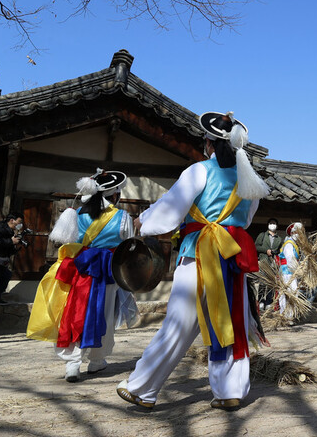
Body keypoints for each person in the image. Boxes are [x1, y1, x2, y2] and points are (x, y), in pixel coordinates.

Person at [117, 111, 269, 410]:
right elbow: (246, 221)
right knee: (231, 321)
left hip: (199, 253)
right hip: (231, 257)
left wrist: (143, 222)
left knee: (179, 323)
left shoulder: (199, 171)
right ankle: (230, 390)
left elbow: (170, 211)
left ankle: (141, 387)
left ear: (209, 143)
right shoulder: (252, 180)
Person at [26, 170, 135, 381]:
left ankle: (73, 363)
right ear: (115, 196)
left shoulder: (76, 214)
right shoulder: (123, 217)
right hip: (109, 269)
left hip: (82, 267)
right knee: (105, 314)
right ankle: (96, 361)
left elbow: (68, 240)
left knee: (76, 311)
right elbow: (129, 244)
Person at [0, 212, 24, 304]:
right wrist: (10, 241)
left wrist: (16, 246)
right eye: (19, 222)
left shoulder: (10, 231)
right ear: (12, 220)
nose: (20, 225)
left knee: (6, 275)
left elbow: (6, 247)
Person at [278, 222, 302, 319]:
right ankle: (286, 316)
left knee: (289, 293)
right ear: (292, 233)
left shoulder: (293, 244)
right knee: (289, 293)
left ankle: (289, 315)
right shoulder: (289, 244)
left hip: (289, 271)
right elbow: (290, 259)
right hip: (287, 272)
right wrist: (298, 271)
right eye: (297, 232)